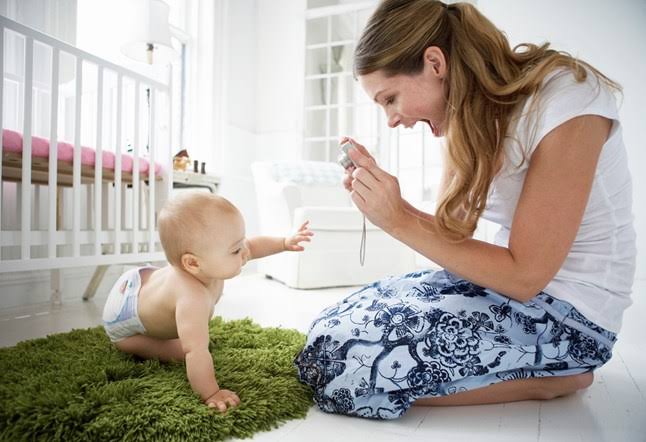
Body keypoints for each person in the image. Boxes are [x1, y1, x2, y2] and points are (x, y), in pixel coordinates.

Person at [294, 0, 636, 420]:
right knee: (328, 330)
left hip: (570, 315)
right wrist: (391, 205)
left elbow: (526, 276)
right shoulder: (469, 120)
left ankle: (555, 376)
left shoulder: (567, 99)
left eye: (391, 99)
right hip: (502, 290)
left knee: (342, 371)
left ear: (435, 63)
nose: (392, 120)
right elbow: (451, 238)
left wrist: (397, 219)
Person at [103, 191, 313, 412]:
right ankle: (130, 340)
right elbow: (196, 352)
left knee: (187, 327)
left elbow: (252, 246)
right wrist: (211, 392)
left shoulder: (206, 262)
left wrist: (284, 242)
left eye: (241, 243)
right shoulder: (191, 298)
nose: (245, 252)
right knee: (183, 350)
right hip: (123, 318)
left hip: (140, 279)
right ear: (193, 263)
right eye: (236, 250)